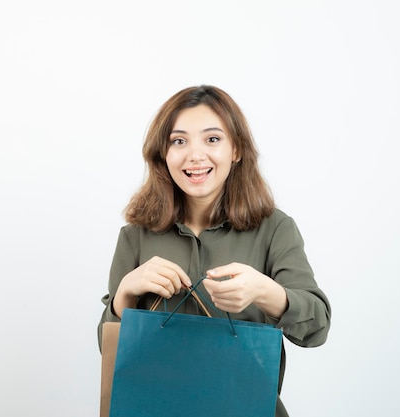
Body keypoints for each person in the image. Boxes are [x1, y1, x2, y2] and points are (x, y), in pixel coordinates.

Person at [98, 85, 331, 417]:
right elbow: (108, 351)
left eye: (212, 139)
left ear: (235, 150)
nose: (195, 155)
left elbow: (318, 328)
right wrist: (125, 293)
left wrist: (264, 292)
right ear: (163, 153)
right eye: (179, 141)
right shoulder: (135, 235)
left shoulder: (274, 228)